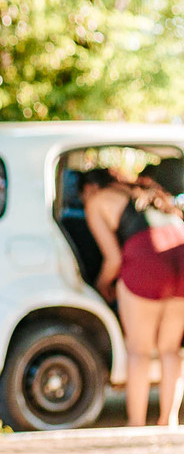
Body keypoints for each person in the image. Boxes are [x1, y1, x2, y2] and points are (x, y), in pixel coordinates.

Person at [79, 167, 184, 427]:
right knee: (170, 350)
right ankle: (167, 422)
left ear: (89, 187)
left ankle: (136, 425)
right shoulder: (150, 191)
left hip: (146, 261)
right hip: (180, 255)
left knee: (139, 352)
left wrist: (101, 285)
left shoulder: (96, 200)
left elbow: (113, 259)